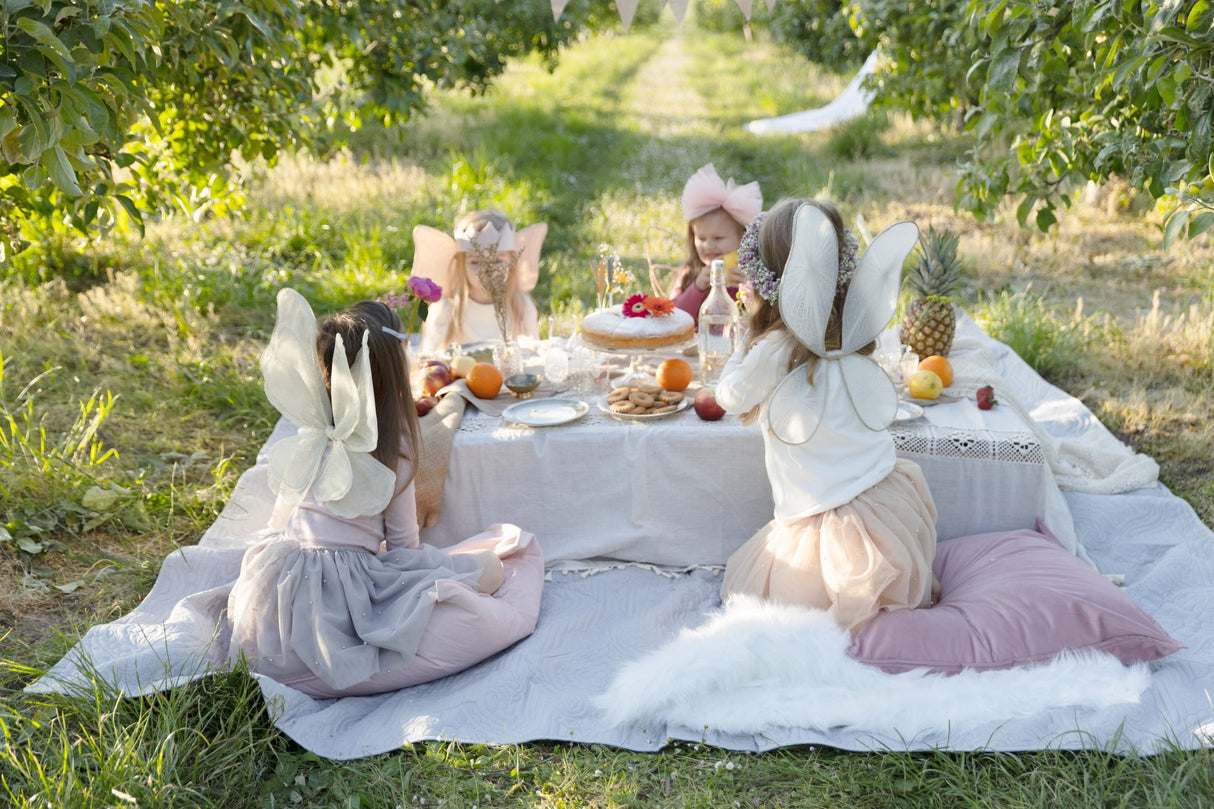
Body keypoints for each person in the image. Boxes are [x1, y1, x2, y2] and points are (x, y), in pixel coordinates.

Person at [226, 289, 544, 697]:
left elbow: (289, 514)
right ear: (394, 377)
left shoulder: (312, 434)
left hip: (282, 578)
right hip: (344, 593)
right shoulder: (393, 449)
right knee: (488, 573)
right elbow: (403, 547)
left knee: (462, 572)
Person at [717, 199, 939, 633]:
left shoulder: (774, 348)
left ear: (763, 279)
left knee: (805, 618)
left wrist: (742, 341)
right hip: (886, 505)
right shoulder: (848, 334)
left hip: (827, 524)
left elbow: (730, 396)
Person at [413, 210, 548, 353]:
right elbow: (429, 360)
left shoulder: (521, 306)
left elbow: (533, 357)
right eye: (475, 261)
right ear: (461, 265)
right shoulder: (446, 310)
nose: (487, 270)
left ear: (512, 263)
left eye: (497, 260)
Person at [669, 163, 762, 325]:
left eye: (718, 238)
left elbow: (763, 321)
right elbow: (672, 316)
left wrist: (749, 290)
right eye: (701, 238)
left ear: (742, 237)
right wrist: (696, 288)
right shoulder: (689, 273)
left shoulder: (750, 274)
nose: (708, 245)